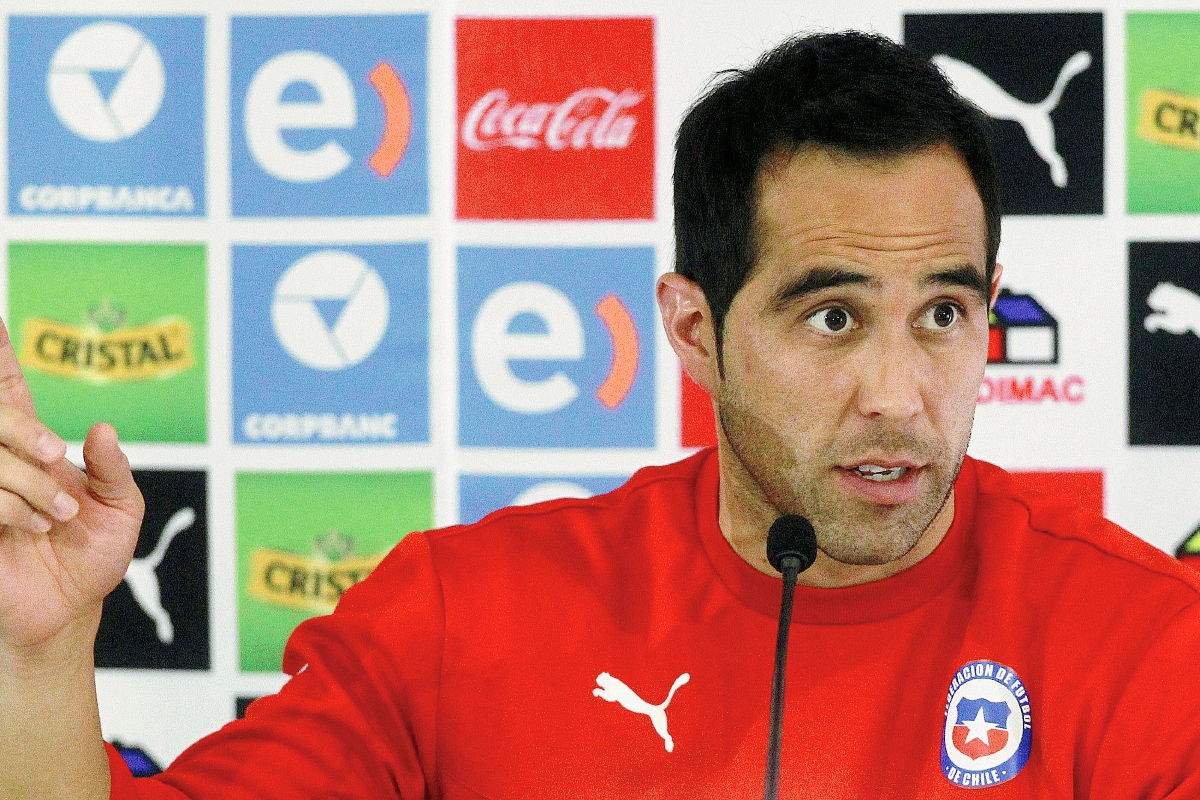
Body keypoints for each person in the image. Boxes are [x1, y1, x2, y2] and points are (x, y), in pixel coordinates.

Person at [3, 30, 1200, 800]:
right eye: (832, 317)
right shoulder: (460, 616)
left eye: (943, 313)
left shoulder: (1151, 645)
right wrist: (40, 654)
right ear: (692, 329)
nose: (898, 391)